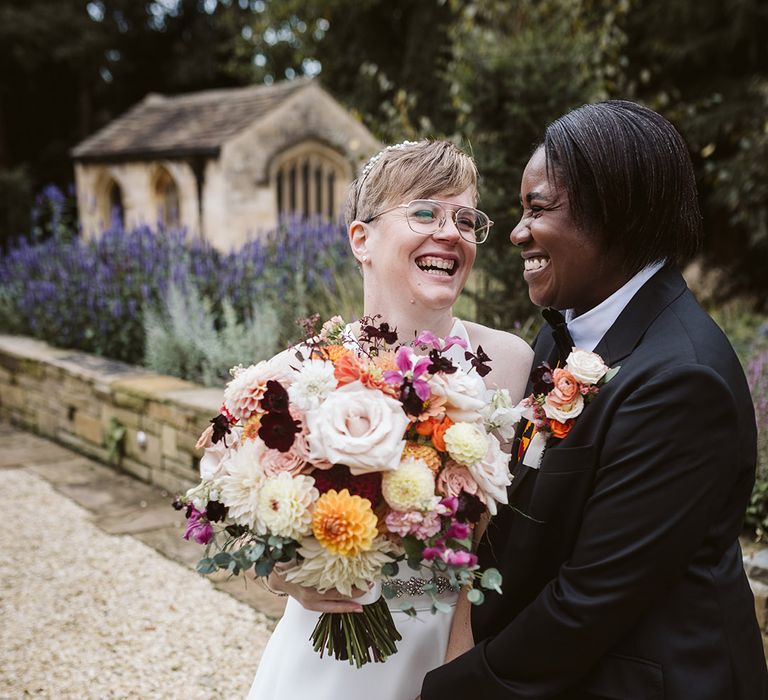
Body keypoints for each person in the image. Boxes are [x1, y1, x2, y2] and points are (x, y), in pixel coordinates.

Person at [420, 100, 768, 699]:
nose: (517, 231)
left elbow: (589, 602)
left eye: (539, 209)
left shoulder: (682, 383)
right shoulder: (564, 330)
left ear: (615, 209)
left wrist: (444, 689)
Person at [247, 139, 533, 699]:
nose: (450, 233)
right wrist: (281, 574)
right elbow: (257, 522)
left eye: (465, 218)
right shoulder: (297, 372)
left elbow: (496, 541)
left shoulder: (509, 364)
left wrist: (462, 657)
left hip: (449, 654)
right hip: (327, 658)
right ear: (362, 239)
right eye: (424, 212)